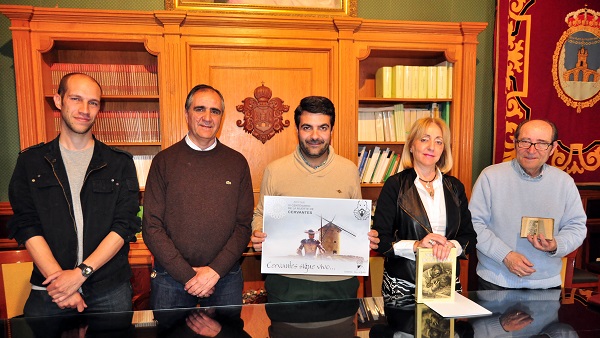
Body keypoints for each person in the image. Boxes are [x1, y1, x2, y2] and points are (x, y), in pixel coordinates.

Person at [8, 73, 141, 316]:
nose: (84, 109)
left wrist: (80, 275)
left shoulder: (120, 163)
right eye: (76, 99)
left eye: (93, 102)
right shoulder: (30, 162)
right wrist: (62, 284)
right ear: (58, 100)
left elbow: (124, 225)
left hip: (109, 289)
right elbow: (26, 224)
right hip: (50, 289)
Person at [250, 95, 379, 302]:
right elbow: (261, 214)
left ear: (331, 131)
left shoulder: (349, 171)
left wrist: (367, 236)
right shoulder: (274, 170)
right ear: (297, 130)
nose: (315, 135)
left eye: (323, 128)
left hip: (340, 286)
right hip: (287, 284)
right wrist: (258, 233)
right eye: (307, 127)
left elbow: (358, 218)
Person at [142, 84, 254, 308]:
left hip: (225, 278)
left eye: (215, 111)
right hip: (171, 280)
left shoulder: (237, 163)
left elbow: (243, 226)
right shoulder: (163, 161)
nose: (207, 117)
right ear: (186, 114)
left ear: (221, 117)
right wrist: (188, 276)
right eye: (199, 109)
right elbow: (151, 227)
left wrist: (214, 272)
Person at [470, 119, 587, 290]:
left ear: (553, 148)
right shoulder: (490, 177)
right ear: (515, 143)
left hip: (547, 285)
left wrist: (556, 244)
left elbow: (577, 227)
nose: (531, 150)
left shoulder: (564, 182)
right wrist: (506, 255)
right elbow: (474, 224)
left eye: (541, 144)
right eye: (525, 142)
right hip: (496, 281)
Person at [372, 117, 476, 305]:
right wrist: (416, 246)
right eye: (424, 139)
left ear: (443, 149)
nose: (431, 147)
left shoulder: (455, 187)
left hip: (447, 283)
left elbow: (469, 237)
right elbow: (381, 241)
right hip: (402, 286)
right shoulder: (395, 185)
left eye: (438, 141)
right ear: (411, 146)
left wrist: (450, 246)